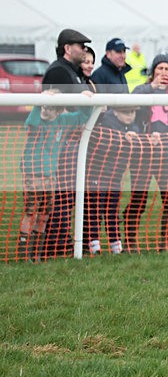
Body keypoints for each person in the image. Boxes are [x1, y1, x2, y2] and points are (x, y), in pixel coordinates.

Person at [17, 90, 92, 261]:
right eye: (43, 107)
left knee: (44, 213)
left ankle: (36, 253)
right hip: (32, 174)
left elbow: (83, 115)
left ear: (59, 110)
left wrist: (83, 98)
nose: (45, 111)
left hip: (51, 175)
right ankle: (22, 253)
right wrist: (39, 101)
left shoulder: (64, 121)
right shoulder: (36, 122)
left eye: (49, 108)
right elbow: (32, 122)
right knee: (30, 211)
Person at [126, 54, 168, 252]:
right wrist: (152, 87)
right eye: (160, 69)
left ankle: (165, 243)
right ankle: (131, 241)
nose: (163, 73)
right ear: (153, 71)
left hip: (167, 154)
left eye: (167, 69)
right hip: (143, 154)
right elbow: (131, 107)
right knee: (138, 198)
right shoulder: (143, 90)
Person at [41, 28, 93, 257]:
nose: (84, 50)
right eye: (80, 46)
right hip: (59, 145)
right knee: (61, 199)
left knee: (68, 197)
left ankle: (60, 244)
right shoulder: (60, 72)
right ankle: (54, 246)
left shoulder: (71, 71)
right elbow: (72, 109)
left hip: (69, 142)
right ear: (67, 48)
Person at [85, 106, 141, 255]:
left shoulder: (132, 128)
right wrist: (122, 137)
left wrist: (133, 135)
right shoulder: (104, 125)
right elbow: (100, 146)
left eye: (132, 111)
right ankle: (93, 245)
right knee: (95, 210)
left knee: (112, 210)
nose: (130, 115)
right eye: (126, 111)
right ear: (115, 112)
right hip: (97, 175)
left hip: (115, 177)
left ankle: (116, 245)